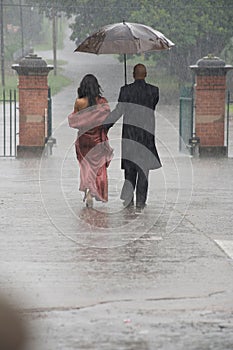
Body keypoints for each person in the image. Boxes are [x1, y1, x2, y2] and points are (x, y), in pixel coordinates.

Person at [104, 63, 162, 210]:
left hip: (130, 136)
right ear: (146, 74)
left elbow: (119, 111)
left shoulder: (126, 91)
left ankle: (129, 200)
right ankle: (141, 202)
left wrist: (105, 126)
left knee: (130, 170)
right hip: (146, 136)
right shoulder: (154, 91)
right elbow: (152, 106)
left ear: (133, 74)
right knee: (143, 170)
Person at [68, 74, 113, 208]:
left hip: (83, 140)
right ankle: (92, 192)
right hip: (97, 140)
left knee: (85, 167)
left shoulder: (79, 102)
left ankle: (88, 190)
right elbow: (107, 120)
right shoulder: (103, 102)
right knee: (98, 168)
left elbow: (75, 120)